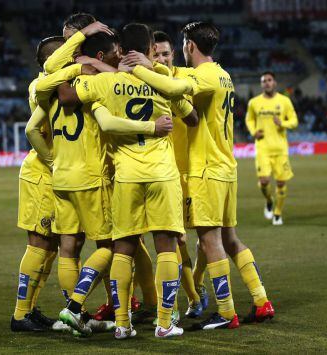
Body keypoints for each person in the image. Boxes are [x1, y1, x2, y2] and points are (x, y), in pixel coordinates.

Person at [123, 21, 275, 330]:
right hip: (225, 167)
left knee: (209, 242)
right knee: (230, 239)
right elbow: (173, 78)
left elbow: (175, 86)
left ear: (189, 46)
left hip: (205, 170)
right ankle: (261, 301)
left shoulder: (202, 77)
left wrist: (140, 68)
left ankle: (226, 311)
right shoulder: (222, 74)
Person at [56, 23, 198, 339]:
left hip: (126, 176)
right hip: (162, 173)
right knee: (166, 247)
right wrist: (154, 71)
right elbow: (189, 108)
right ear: (149, 49)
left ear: (121, 50)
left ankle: (122, 325)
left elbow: (65, 94)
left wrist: (85, 63)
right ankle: (164, 322)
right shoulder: (164, 80)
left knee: (123, 248)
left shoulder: (107, 82)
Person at [11, 36, 65, 333]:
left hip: (50, 174)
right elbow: (34, 131)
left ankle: (29, 309)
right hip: (42, 174)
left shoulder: (53, 84)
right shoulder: (41, 85)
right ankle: (20, 315)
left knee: (50, 248)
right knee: (39, 245)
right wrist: (53, 161)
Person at [152, 30, 206, 319]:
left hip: (192, 172)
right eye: (155, 54)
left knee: (208, 238)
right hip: (164, 173)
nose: (161, 58)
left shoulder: (186, 77)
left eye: (165, 53)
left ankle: (195, 288)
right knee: (177, 241)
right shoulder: (146, 84)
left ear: (174, 54)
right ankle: (188, 299)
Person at [245, 71, 298, 226]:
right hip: (263, 148)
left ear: (274, 83)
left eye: (269, 80)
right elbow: (249, 119)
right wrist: (253, 132)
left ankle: (277, 213)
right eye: (264, 81)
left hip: (281, 149)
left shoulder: (285, 101)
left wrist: (283, 124)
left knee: (281, 183)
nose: (267, 83)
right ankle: (269, 200)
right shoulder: (254, 102)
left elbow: (294, 121)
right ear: (261, 84)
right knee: (264, 181)